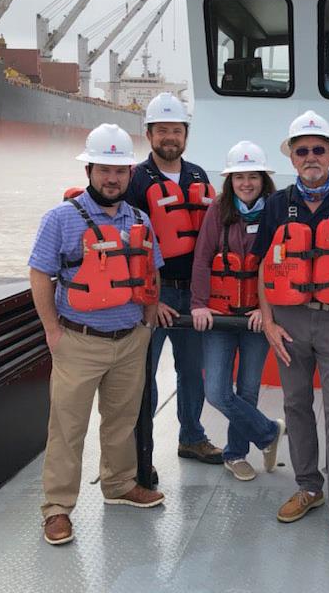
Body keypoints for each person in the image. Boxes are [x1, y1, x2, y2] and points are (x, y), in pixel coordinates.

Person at [29, 124, 165, 546]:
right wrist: (52, 329)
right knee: (67, 428)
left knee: (122, 422)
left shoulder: (140, 219)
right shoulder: (60, 219)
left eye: (121, 171)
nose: (113, 179)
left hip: (129, 340)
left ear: (130, 175)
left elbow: (152, 273)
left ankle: (120, 484)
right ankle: (57, 508)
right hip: (79, 340)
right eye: (105, 170)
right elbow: (39, 273)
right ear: (89, 170)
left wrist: (146, 322)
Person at [252, 110, 329, 555]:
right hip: (288, 322)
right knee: (295, 404)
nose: (310, 157)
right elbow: (262, 264)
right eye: (301, 150)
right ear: (291, 156)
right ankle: (309, 486)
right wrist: (267, 321)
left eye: (318, 149)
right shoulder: (276, 203)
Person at [125, 92, 223, 464]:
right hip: (156, 295)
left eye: (176, 130)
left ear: (186, 134)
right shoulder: (136, 180)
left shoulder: (198, 175)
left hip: (194, 294)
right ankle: (138, 447)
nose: (170, 137)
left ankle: (192, 437)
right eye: (162, 130)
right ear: (149, 134)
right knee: (143, 374)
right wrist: (152, 299)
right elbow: (132, 246)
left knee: (192, 372)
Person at [189, 141, 286, 481]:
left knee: (247, 390)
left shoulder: (277, 211)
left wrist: (266, 308)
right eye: (239, 177)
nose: (246, 183)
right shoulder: (218, 211)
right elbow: (202, 259)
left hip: (256, 320)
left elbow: (281, 265)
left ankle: (236, 454)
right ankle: (268, 432)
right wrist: (199, 304)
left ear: (263, 179)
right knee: (217, 391)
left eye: (253, 176)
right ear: (230, 181)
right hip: (219, 316)